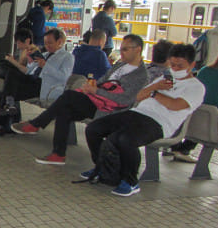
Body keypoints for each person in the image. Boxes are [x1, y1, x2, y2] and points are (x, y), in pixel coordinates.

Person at [83, 44, 205, 197]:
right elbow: (139, 96)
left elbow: (175, 105)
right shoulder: (164, 78)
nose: (174, 68)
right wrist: (155, 86)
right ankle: (102, 167)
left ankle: (131, 181)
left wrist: (154, 93)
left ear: (192, 65)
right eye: (172, 64)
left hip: (160, 123)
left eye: (179, 65)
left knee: (125, 139)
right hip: (137, 113)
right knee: (94, 128)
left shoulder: (196, 87)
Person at [12, 34, 148, 165]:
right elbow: (104, 80)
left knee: (68, 96)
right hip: (97, 101)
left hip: (109, 110)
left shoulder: (140, 75)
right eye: (121, 49)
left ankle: (36, 125)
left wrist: (96, 91)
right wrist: (92, 85)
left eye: (125, 49)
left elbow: (125, 100)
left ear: (138, 50)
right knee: (64, 110)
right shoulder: (120, 65)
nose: (121, 52)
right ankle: (58, 154)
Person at [168, 45, 218, 162]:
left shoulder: (204, 71)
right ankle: (183, 149)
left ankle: (182, 149)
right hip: (217, 125)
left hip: (194, 122)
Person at [0, 27, 74, 107]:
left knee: (13, 81)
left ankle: (4, 105)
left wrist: (46, 66)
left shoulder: (67, 57)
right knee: (11, 73)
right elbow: (28, 71)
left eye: (50, 43)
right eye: (45, 43)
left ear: (59, 42)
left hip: (43, 84)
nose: (47, 46)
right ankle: (5, 105)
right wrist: (30, 61)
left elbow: (64, 77)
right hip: (32, 79)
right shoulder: (45, 54)